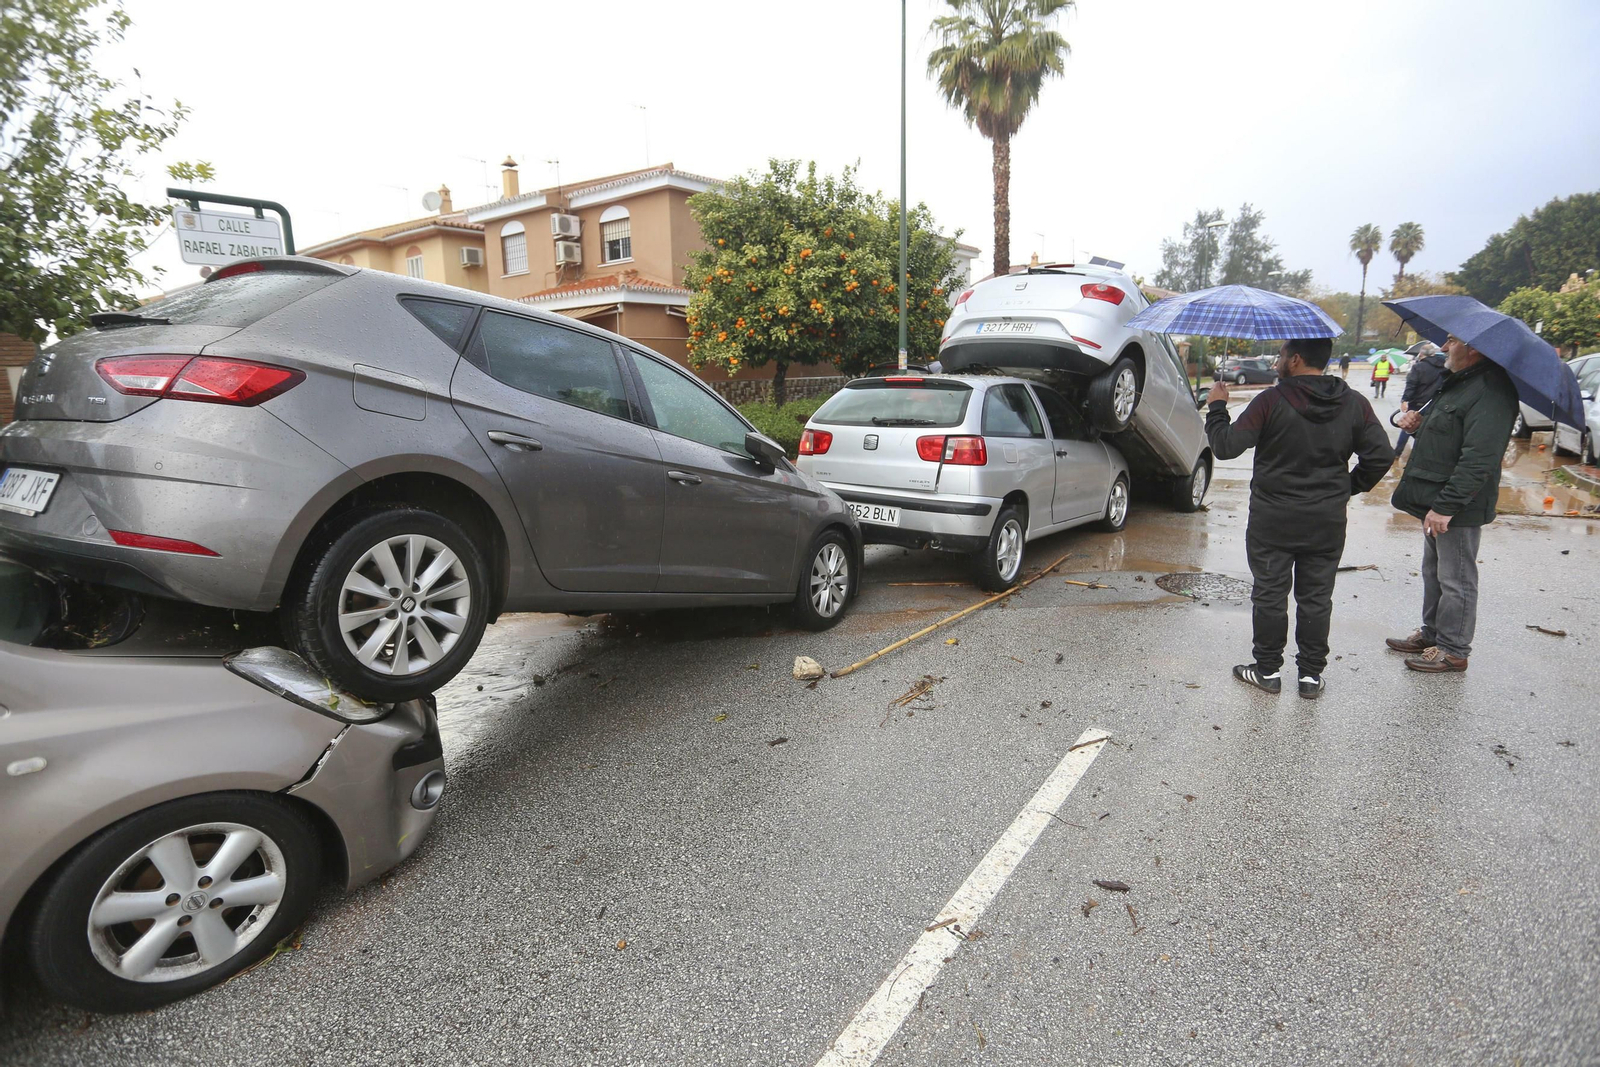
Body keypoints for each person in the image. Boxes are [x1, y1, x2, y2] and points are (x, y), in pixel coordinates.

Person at [1206, 337, 1395, 699]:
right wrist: (1347, 487)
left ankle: (1267, 671)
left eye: (1279, 356)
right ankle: (1310, 676)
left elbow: (1226, 446)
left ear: (1294, 359)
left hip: (1272, 520)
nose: (1276, 361)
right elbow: (1381, 455)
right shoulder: (1354, 403)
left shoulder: (1270, 402)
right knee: (1317, 598)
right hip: (1325, 522)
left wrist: (1217, 407)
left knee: (1271, 595)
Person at [1386, 335, 1520, 673]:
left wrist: (1447, 506)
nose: (1444, 348)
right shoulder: (1460, 384)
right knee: (1434, 572)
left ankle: (1453, 650)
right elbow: (1447, 436)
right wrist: (1416, 426)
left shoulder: (1490, 391)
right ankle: (1433, 635)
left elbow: (1480, 459)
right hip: (1437, 498)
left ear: (1473, 347)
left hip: (1457, 505)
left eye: (1451, 341)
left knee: (1456, 578)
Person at [1393, 344, 1447, 458]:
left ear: (1421, 354)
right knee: (1427, 428)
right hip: (1435, 402)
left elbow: (1411, 384)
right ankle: (1420, 454)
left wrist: (1405, 400)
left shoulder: (1418, 367)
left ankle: (1397, 452)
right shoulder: (1444, 366)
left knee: (1409, 424)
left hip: (1418, 402)